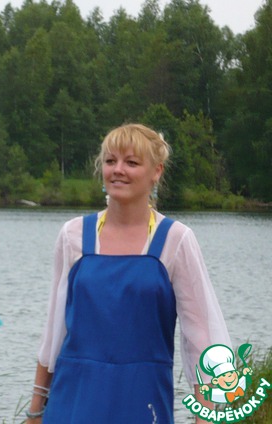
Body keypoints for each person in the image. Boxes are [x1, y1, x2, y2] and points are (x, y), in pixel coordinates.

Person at [26, 124, 231, 424]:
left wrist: (207, 416)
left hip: (143, 402)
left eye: (131, 162)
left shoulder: (175, 240)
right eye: (111, 161)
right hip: (72, 402)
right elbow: (54, 333)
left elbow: (202, 340)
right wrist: (35, 411)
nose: (118, 170)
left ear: (156, 172)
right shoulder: (73, 235)